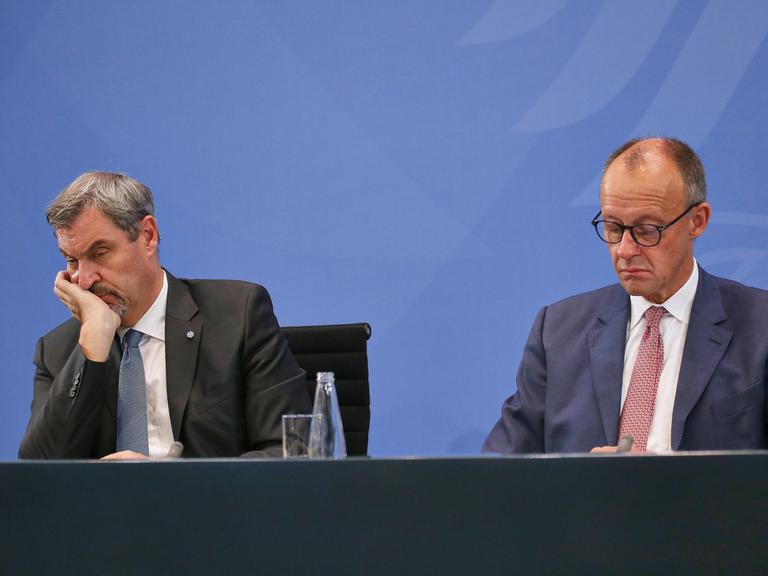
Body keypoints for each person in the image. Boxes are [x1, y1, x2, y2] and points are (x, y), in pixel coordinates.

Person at [483, 137, 768, 454]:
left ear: (697, 221)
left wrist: (662, 484)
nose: (625, 250)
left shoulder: (760, 327)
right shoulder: (557, 333)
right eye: (613, 227)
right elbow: (501, 473)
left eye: (647, 230)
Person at [19, 172, 311, 459]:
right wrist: (92, 347)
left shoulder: (238, 315)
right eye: (72, 260)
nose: (83, 280)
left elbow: (289, 450)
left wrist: (172, 487)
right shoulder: (58, 350)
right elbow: (37, 477)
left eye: (100, 252)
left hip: (210, 504)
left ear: (148, 236)